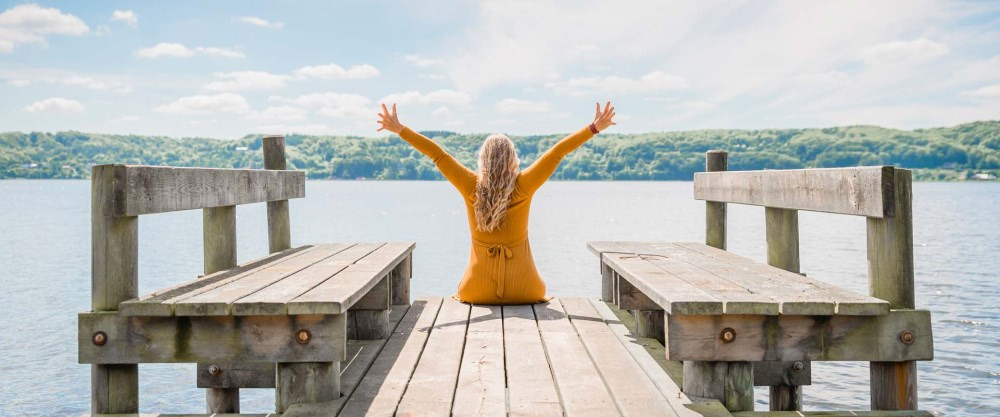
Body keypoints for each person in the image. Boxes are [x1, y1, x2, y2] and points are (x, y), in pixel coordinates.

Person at [376, 101, 617, 305]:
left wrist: (399, 129)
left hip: (475, 291)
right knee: (540, 286)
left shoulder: (471, 185)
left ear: (482, 160)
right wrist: (594, 128)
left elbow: (438, 155)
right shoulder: (524, 185)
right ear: (513, 158)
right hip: (527, 289)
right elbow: (556, 153)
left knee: (463, 286)